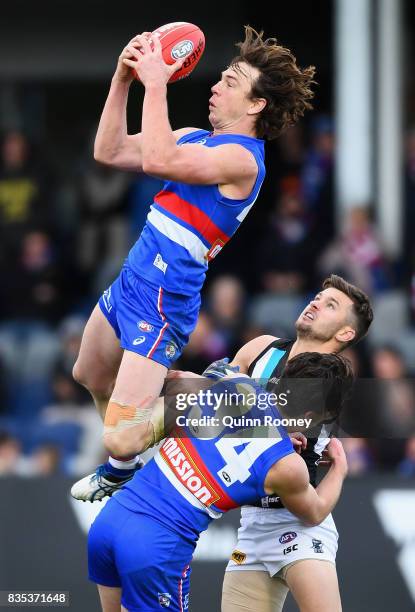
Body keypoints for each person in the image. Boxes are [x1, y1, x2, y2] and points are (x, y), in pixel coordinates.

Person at [71, 26, 316, 501]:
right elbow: (110, 151)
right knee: (88, 373)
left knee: (120, 435)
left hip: (163, 298)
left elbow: (160, 159)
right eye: (220, 77)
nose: (215, 85)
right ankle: (137, 452)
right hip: (132, 280)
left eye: (230, 81)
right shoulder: (194, 137)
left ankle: (220, 396)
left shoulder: (244, 160)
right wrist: (123, 79)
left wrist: (157, 81)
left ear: (255, 105)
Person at [87, 351, 352, 612]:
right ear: (309, 417)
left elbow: (178, 381)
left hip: (111, 520)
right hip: (156, 544)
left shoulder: (235, 383)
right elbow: (315, 511)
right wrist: (339, 468)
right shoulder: (287, 467)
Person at [221, 274, 373, 612]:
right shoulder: (261, 348)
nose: (315, 302)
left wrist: (237, 400)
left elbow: (239, 418)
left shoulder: (333, 376)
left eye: (330, 304)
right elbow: (208, 407)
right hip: (252, 527)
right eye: (318, 296)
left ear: (345, 333)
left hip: (301, 527)